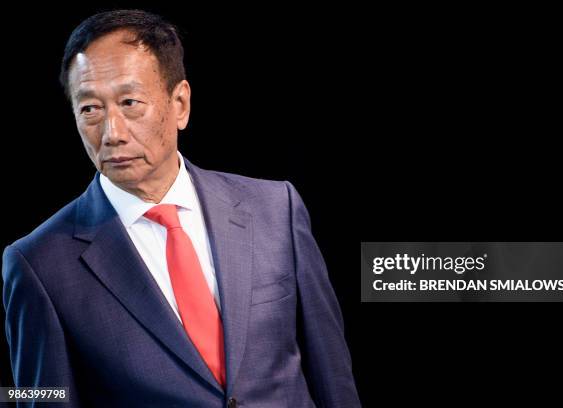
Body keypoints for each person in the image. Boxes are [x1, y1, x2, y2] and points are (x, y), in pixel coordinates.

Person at [2, 9, 360, 407]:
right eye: (90, 109)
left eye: (130, 102)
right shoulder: (38, 264)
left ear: (180, 104)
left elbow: (333, 376)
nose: (112, 133)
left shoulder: (276, 209)